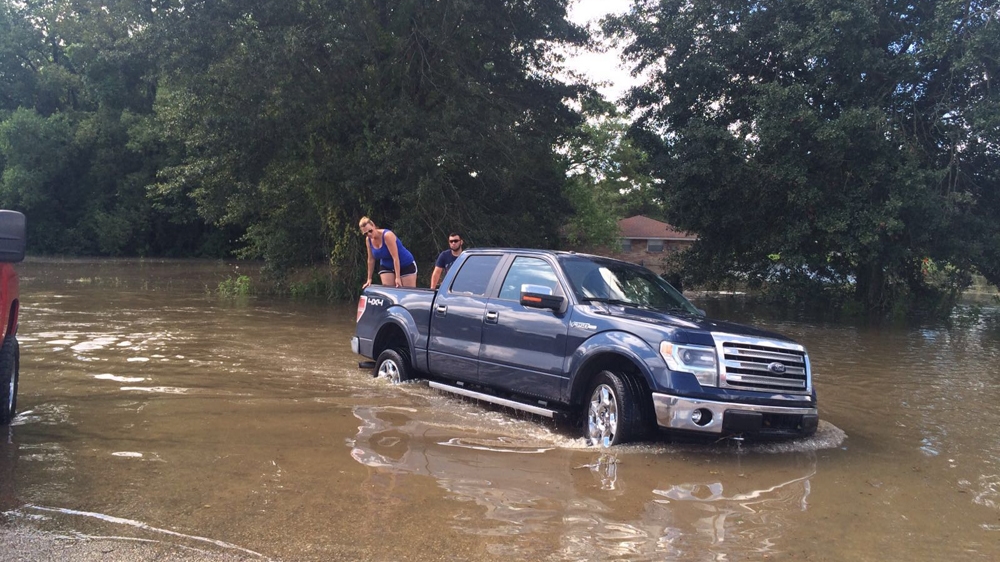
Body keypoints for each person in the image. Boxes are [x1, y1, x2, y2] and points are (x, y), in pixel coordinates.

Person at [360, 216, 417, 288]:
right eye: (366, 233)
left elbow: (395, 257)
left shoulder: (387, 235)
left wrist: (397, 277)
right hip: (387, 265)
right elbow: (371, 259)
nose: (369, 234)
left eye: (370, 231)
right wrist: (369, 279)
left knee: (407, 292)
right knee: (389, 290)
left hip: (404, 263)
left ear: (373, 226)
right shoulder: (368, 240)